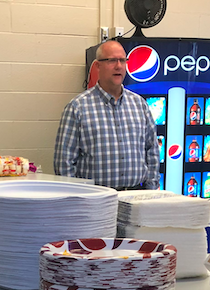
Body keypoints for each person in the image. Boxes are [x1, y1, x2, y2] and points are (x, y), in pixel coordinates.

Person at [54, 40, 159, 190]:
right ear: (98, 66)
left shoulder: (139, 104)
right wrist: (75, 197)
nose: (118, 66)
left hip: (136, 195)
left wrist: (151, 190)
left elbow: (152, 150)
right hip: (96, 197)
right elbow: (64, 162)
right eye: (112, 60)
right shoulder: (78, 108)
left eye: (122, 60)